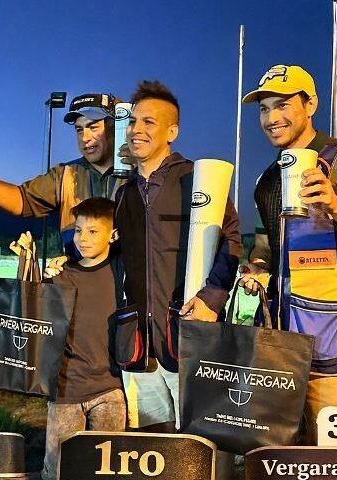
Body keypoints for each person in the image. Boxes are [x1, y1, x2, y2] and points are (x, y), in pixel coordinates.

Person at [239, 64, 337, 443]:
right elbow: (265, 246)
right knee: (279, 454)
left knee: (332, 457)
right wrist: (257, 268)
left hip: (331, 339)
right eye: (264, 109)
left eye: (282, 105)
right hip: (277, 340)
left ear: (310, 105)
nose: (271, 118)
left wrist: (335, 203)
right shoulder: (266, 179)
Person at [115, 80, 243, 432]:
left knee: (201, 440)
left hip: (188, 335)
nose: (136, 129)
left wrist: (211, 300)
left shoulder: (197, 179)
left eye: (149, 122)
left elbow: (231, 241)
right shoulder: (123, 192)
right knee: (150, 440)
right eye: (133, 121)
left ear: (172, 132)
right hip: (139, 346)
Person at [0, 93, 126, 251]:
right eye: (79, 130)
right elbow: (22, 201)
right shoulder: (65, 174)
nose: (85, 138)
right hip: (80, 275)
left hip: (130, 278)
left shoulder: (137, 172)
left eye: (93, 127)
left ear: (115, 128)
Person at [40, 197, 126, 480]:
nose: (83, 238)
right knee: (59, 470)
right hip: (66, 389)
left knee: (107, 470)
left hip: (110, 389)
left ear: (113, 235)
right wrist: (46, 276)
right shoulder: (62, 276)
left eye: (93, 231)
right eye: (78, 230)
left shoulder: (122, 274)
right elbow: (41, 323)